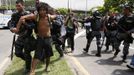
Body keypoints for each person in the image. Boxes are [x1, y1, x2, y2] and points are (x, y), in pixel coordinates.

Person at [14, 2, 56, 75]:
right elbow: (22, 18)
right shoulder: (36, 16)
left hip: (48, 39)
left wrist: (55, 17)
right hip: (40, 39)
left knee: (48, 54)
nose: (42, 11)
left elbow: (55, 16)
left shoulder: (49, 17)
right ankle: (32, 71)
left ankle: (47, 66)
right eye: (40, 10)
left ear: (46, 10)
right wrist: (17, 29)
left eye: (44, 10)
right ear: (38, 10)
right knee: (37, 55)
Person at [9, 0, 36, 74]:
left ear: (23, 6)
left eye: (19, 6)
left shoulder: (28, 14)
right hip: (20, 37)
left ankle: (28, 68)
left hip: (28, 37)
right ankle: (29, 61)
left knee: (27, 53)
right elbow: (11, 23)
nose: (17, 7)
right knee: (17, 53)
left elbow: (33, 26)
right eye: (16, 6)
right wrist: (12, 28)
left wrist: (25, 23)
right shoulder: (14, 15)